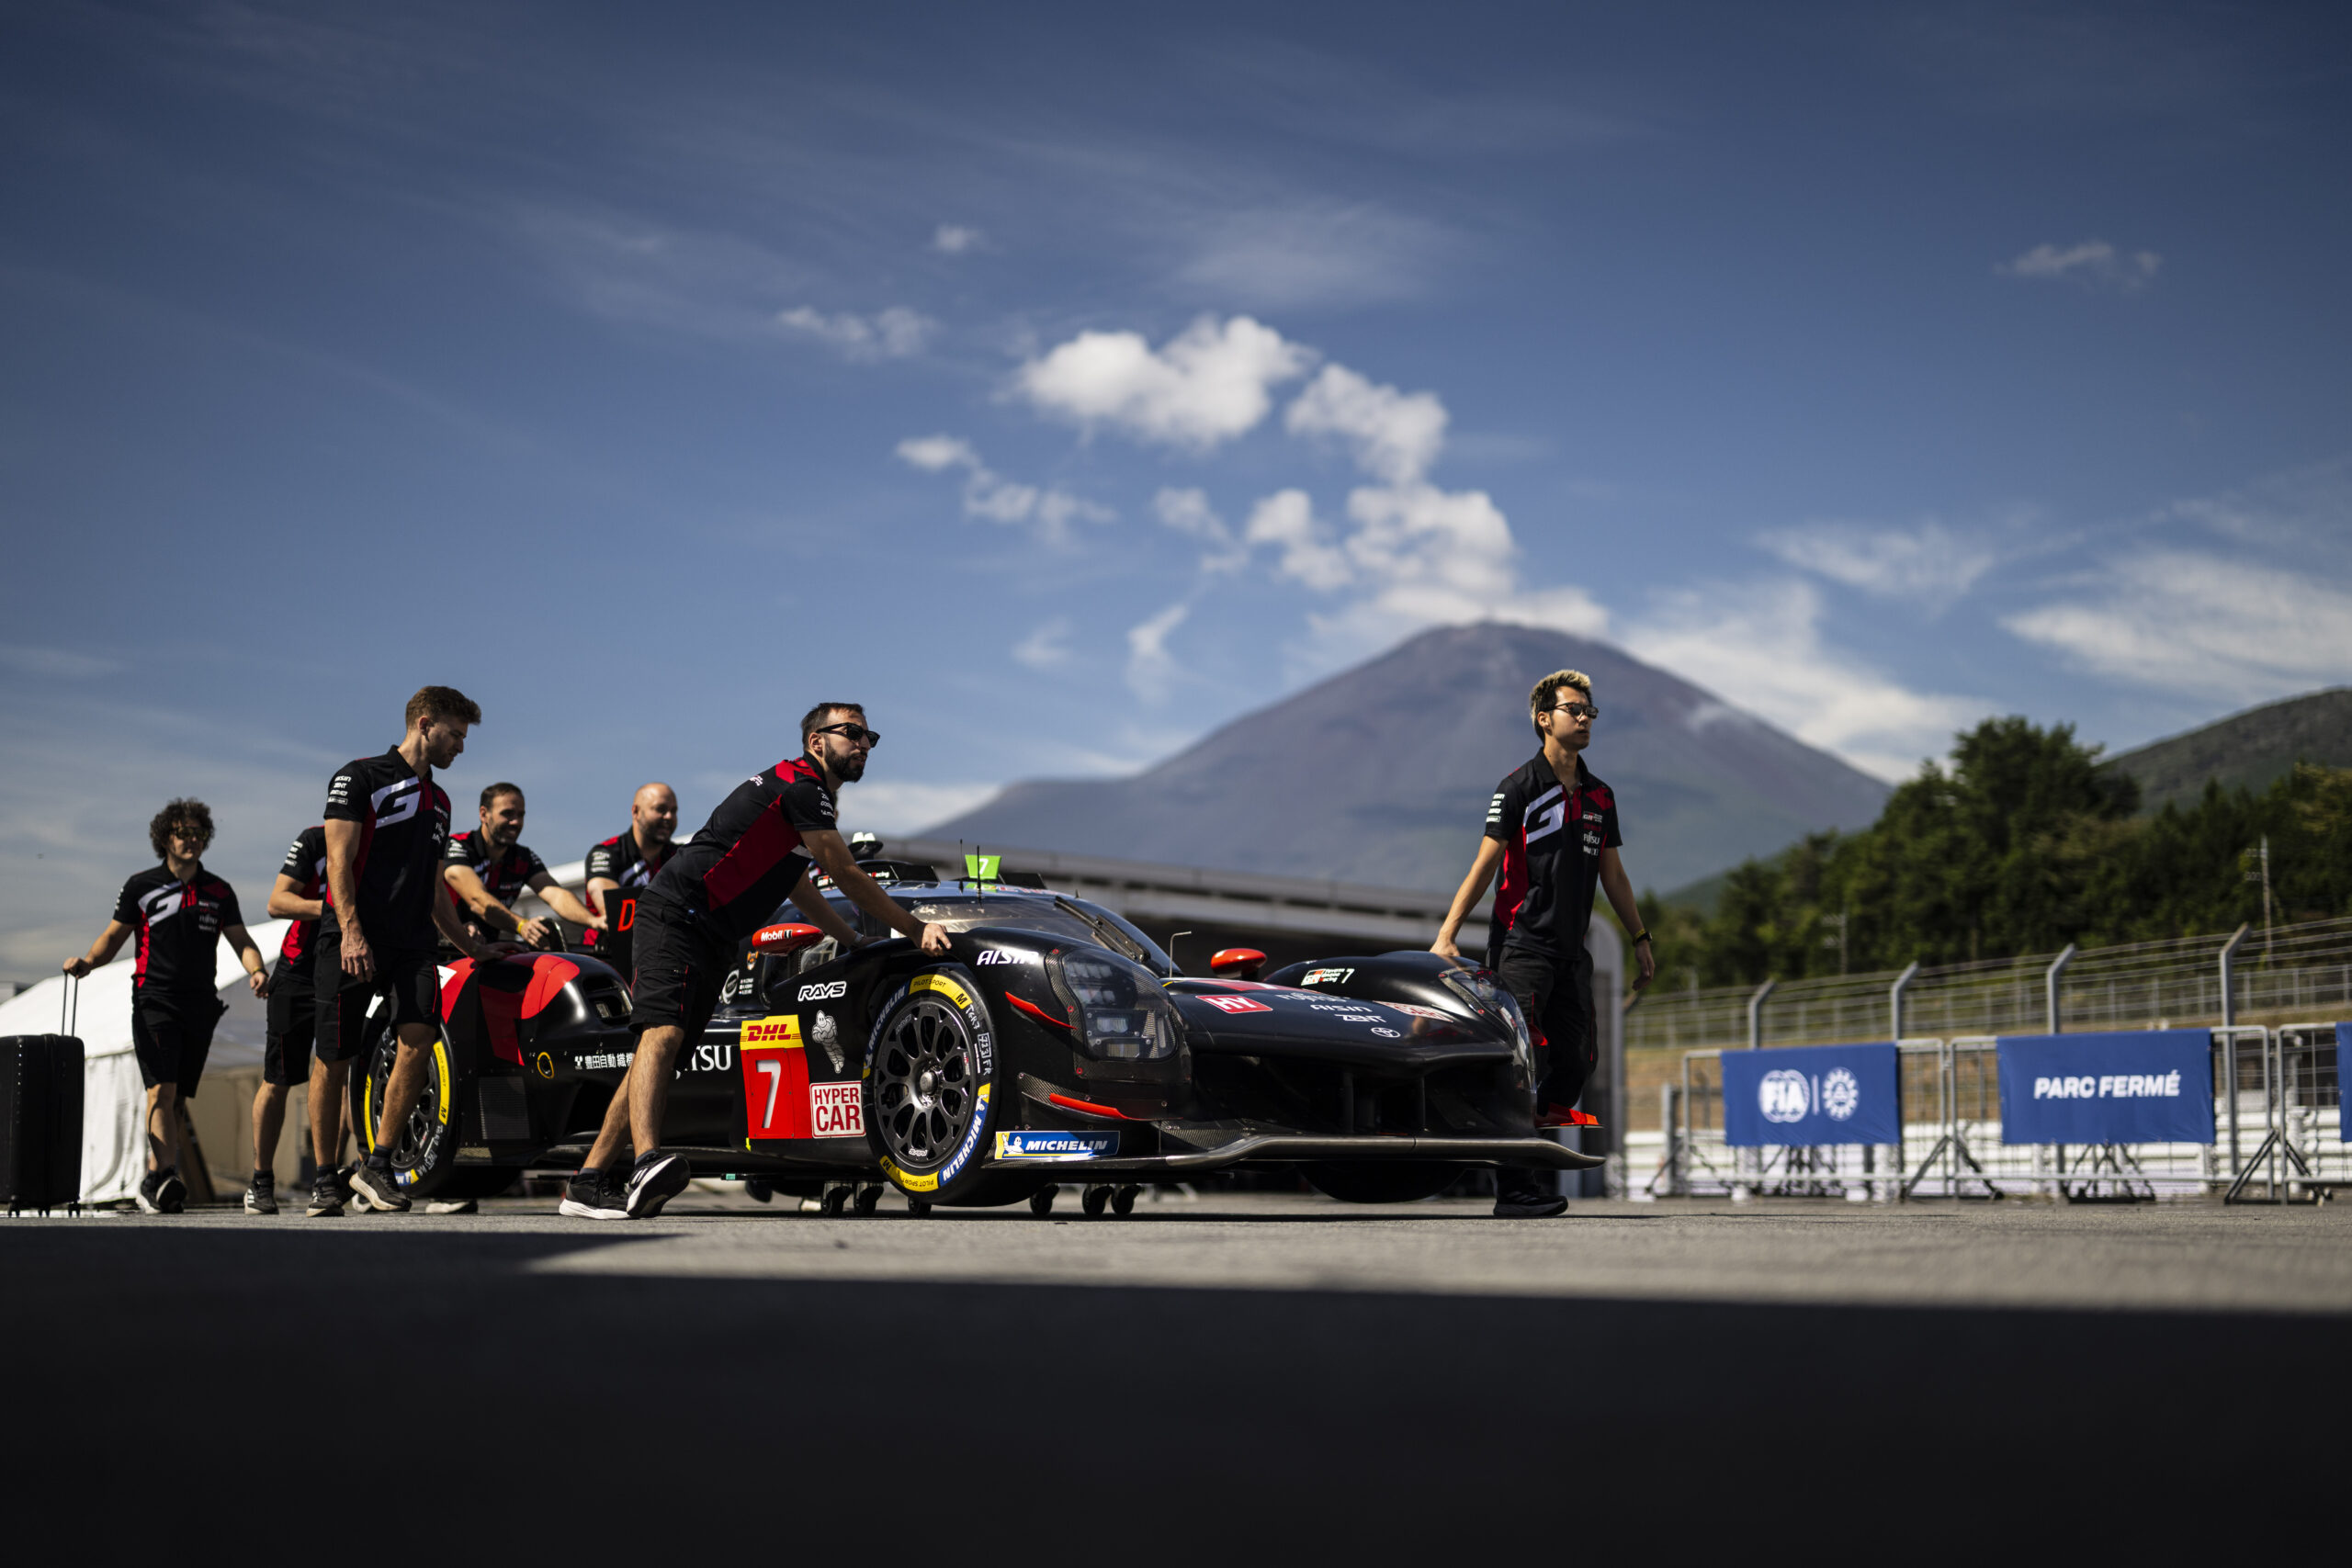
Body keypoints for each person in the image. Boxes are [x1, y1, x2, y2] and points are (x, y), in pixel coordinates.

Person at [559, 703, 951, 1221]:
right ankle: (646, 1162)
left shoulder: (807, 801)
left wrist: (851, 938)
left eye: (870, 737)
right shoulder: (801, 786)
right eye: (851, 733)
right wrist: (917, 929)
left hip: (713, 931)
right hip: (677, 912)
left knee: (661, 1052)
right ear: (816, 741)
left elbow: (797, 881)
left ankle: (586, 1183)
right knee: (662, 1034)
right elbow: (846, 873)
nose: (863, 745)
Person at [1433, 670, 1657, 1219]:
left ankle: (1525, 1145)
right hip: (1521, 949)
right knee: (1520, 1066)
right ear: (1544, 719)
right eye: (1573, 710)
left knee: (1577, 1064)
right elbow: (1484, 865)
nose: (1583, 719)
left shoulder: (1601, 796)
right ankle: (1516, 1187)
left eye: (1589, 712)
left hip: (1572, 953)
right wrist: (1447, 934)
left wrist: (1640, 938)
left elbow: (1615, 876)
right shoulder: (1518, 788)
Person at [308, 686, 497, 1218]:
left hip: (412, 943)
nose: (460, 746)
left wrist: (470, 948)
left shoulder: (440, 802)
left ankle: (378, 1165)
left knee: (418, 1039)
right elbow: (338, 864)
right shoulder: (360, 777)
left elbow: (437, 890)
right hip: (350, 938)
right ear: (424, 722)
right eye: (455, 734)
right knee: (335, 1057)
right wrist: (350, 932)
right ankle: (326, 1178)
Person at [63, 799, 267, 1214]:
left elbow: (241, 940)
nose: (191, 840)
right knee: (162, 1087)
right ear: (165, 839)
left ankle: (156, 1177)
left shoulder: (219, 891)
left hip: (201, 1005)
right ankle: (163, 1177)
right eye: (182, 833)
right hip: (154, 999)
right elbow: (112, 937)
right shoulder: (142, 887)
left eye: (198, 833)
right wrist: (87, 962)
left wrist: (258, 969)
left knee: (176, 1098)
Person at [244, 825, 333, 1213]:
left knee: (340, 1074)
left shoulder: (387, 840)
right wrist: (335, 906)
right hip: (297, 974)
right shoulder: (317, 839)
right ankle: (260, 1181)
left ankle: (335, 1178)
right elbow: (277, 903)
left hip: (348, 972)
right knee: (278, 1080)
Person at [442, 783, 605, 951]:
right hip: (444, 949)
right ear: (484, 814)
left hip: (488, 952)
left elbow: (556, 895)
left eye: (521, 815)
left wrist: (594, 921)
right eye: (507, 814)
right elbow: (477, 899)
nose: (516, 822)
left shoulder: (522, 858)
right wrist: (521, 926)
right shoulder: (457, 846)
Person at [581, 782, 681, 968]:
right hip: (604, 961)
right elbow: (615, 911)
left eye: (673, 811)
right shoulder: (606, 852)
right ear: (636, 811)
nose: (669, 817)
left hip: (659, 962)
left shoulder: (680, 857)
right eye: (660, 809)